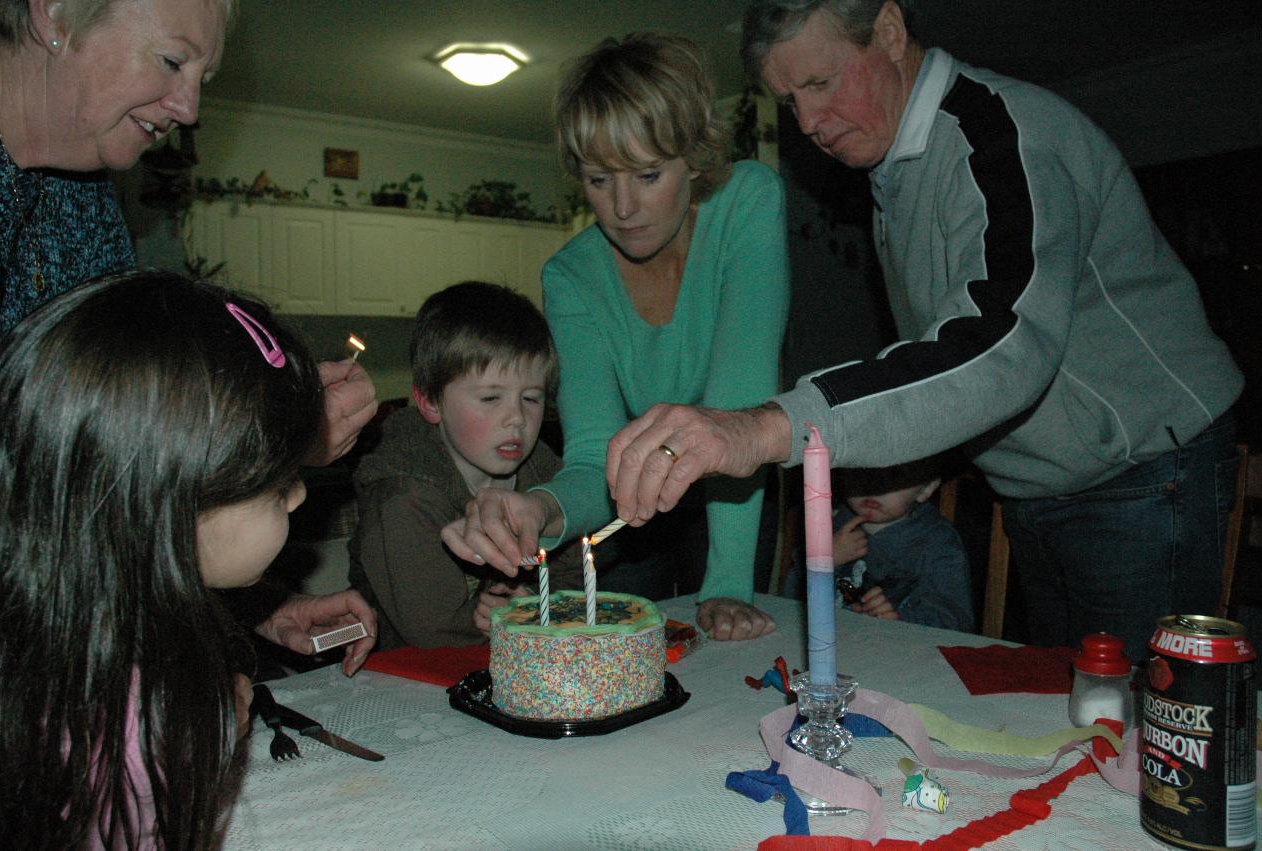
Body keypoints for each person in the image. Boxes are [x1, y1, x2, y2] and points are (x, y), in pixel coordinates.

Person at [605, 0, 1243, 661]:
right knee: (1074, 720)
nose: (809, 124)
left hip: (1143, 470)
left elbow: (1000, 340)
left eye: (821, 84)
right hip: (1041, 489)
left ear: (888, 32)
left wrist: (764, 426)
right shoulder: (897, 166)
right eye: (789, 101)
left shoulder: (1001, 136)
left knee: (1148, 734)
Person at [0, 271, 377, 849]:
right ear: (168, 510)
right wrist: (210, 727)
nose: (298, 496)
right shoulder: (141, 733)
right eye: (275, 485)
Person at [442, 32, 790, 642]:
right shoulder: (571, 277)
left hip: (740, 495)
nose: (623, 207)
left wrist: (730, 582)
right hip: (635, 508)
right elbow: (592, 459)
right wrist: (541, 509)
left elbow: (739, 413)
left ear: (696, 159)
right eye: (601, 181)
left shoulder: (749, 203)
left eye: (648, 174)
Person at [0, 0, 376, 463]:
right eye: (172, 61)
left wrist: (276, 426)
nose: (189, 111)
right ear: (55, 12)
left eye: (202, 81)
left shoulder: (81, 192)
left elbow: (114, 421)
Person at [349, 282, 583, 648]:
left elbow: (584, 563)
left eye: (531, 398)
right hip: (407, 679)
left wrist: (535, 600)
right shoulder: (404, 498)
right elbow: (430, 631)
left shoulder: (544, 474)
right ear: (429, 402)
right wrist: (500, 617)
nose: (517, 419)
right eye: (491, 397)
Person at [784, 460, 973, 631]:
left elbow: (955, 622)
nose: (873, 485)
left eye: (894, 475)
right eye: (860, 471)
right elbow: (788, 605)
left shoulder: (938, 542)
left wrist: (901, 620)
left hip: (903, 656)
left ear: (925, 488)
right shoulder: (832, 524)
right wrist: (821, 561)